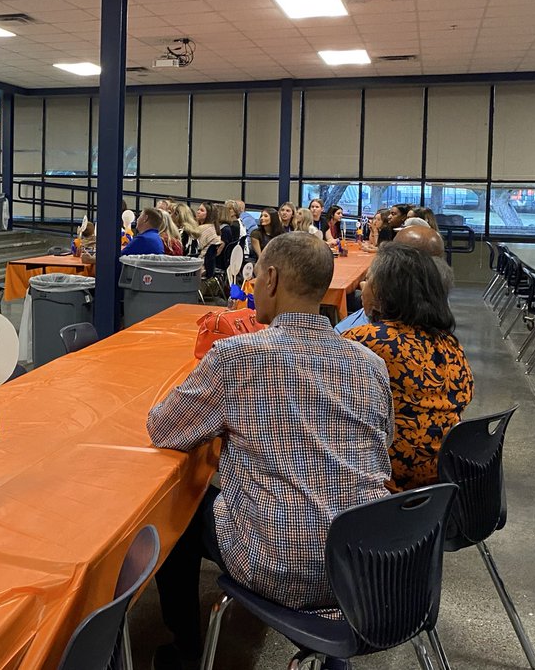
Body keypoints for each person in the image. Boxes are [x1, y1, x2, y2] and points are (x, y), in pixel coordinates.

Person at [148, 232, 392, 668]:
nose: (253, 284)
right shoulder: (371, 365)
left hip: (279, 565)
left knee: (179, 510)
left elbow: (164, 428)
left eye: (256, 275)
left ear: (273, 279)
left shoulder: (236, 357)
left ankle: (184, 650)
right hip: (366, 567)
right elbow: (381, 445)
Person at [343, 243, 473, 491]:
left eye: (368, 280)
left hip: (384, 482)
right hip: (443, 482)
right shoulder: (450, 345)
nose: (362, 287)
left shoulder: (365, 341)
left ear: (383, 292)